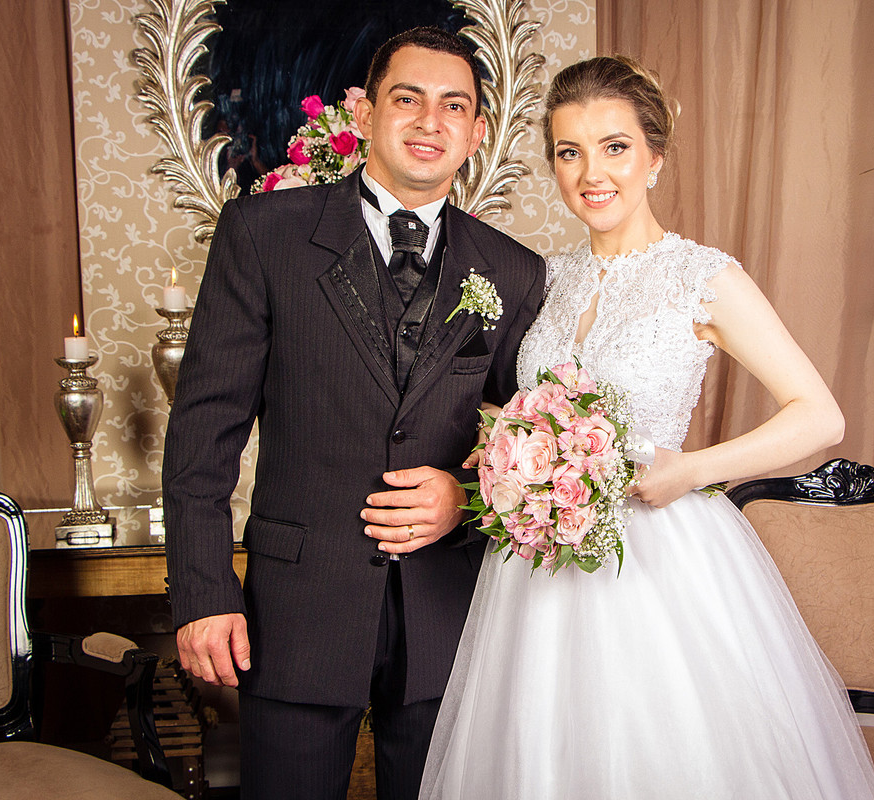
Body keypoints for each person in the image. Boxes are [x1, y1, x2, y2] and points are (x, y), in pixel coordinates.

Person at [417, 56, 874, 799]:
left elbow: (819, 415)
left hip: (659, 558)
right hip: (538, 570)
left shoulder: (702, 278)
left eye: (615, 147)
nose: (591, 173)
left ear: (655, 157)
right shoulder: (545, 278)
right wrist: (505, 443)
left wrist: (692, 469)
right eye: (569, 152)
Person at [162, 27, 545, 800]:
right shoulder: (263, 234)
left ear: (477, 132)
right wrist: (203, 596)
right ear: (366, 114)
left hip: (447, 619)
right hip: (296, 617)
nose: (430, 121)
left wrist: (465, 497)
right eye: (408, 99)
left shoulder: (514, 270)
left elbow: (528, 446)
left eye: (454, 106)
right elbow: (203, 433)